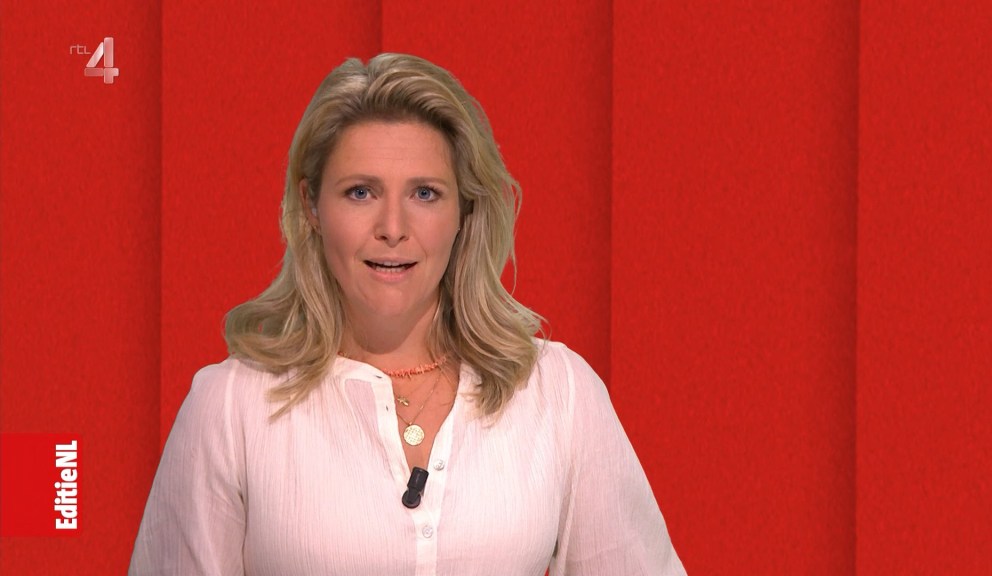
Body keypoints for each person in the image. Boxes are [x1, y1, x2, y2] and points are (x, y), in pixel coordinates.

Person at [129, 53, 686, 575]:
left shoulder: (556, 391)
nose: (393, 228)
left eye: (424, 193)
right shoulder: (231, 406)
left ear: (465, 211)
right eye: (360, 193)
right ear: (312, 207)